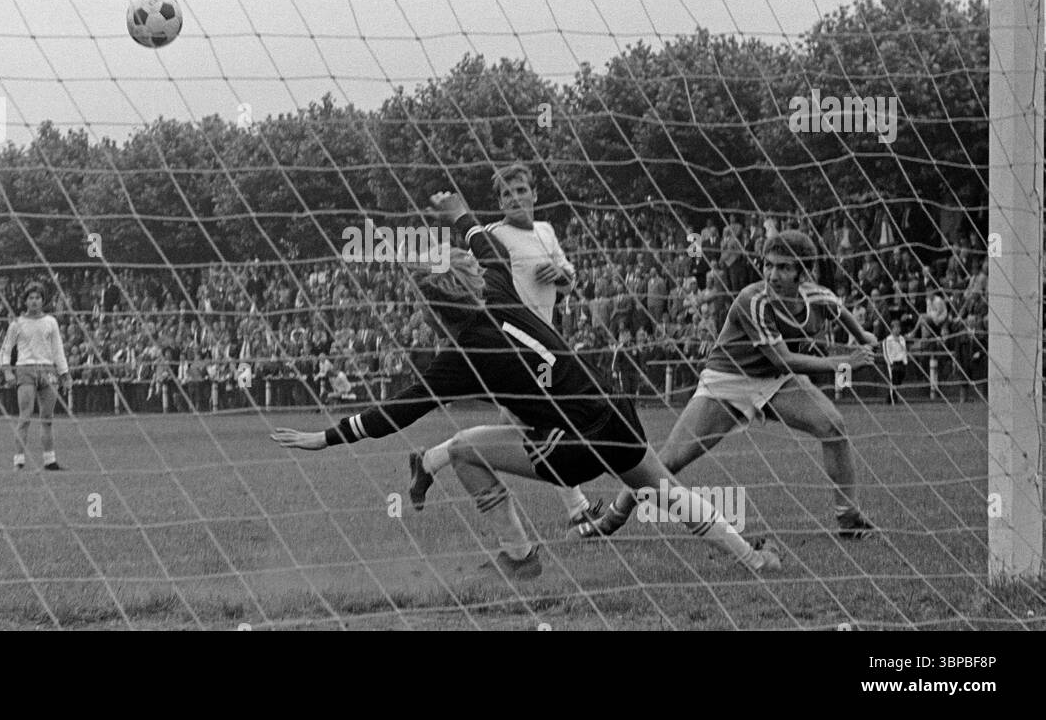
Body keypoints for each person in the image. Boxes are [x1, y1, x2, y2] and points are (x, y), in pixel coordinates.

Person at [271, 191, 780, 581]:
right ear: (470, 279)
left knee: (466, 451)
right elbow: (487, 247)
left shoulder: (463, 355)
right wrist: (461, 214)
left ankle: (519, 557)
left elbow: (397, 411)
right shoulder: (499, 286)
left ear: (434, 307)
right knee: (666, 491)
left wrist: (325, 437)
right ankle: (752, 559)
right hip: (613, 405)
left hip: (575, 441)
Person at [572, 231, 880, 541]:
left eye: (784, 267)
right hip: (727, 382)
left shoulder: (818, 297)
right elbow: (783, 359)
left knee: (833, 427)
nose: (773, 274)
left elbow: (839, 311)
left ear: (802, 271)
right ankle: (611, 519)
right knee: (668, 463)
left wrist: (863, 335)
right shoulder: (753, 300)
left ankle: (849, 519)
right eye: (769, 265)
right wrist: (845, 361)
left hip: (775, 382)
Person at [407, 164, 603, 533]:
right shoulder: (495, 235)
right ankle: (578, 511)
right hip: (512, 350)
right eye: (506, 194)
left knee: (521, 430)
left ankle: (430, 461)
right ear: (498, 202)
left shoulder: (546, 232)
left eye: (520, 190)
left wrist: (561, 277)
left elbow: (568, 281)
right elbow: (462, 274)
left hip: (545, 345)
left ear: (534, 194)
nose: (514, 199)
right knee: (548, 424)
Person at [1, 282, 71, 471]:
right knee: (25, 417)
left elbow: (58, 350)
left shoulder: (51, 322)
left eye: (37, 298)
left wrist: (65, 373)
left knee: (47, 417)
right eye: (31, 298)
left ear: (43, 300)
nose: (34, 301)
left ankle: (50, 460)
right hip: (26, 369)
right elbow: (6, 349)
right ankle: (19, 461)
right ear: (25, 301)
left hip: (48, 370)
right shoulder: (17, 324)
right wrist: (7, 371)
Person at [883, 320, 908, 404]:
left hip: (901, 362)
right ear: (891, 329)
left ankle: (888, 398)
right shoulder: (888, 340)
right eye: (895, 328)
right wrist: (890, 362)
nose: (897, 330)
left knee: (898, 381)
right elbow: (886, 352)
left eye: (898, 328)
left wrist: (905, 361)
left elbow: (904, 350)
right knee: (893, 381)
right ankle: (893, 401)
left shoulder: (901, 338)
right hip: (893, 363)